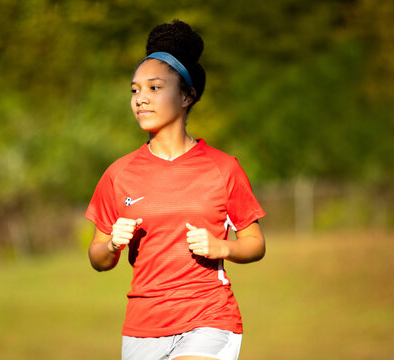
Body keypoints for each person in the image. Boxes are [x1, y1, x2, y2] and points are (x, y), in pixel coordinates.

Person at [85, 19, 266, 360]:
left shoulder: (223, 168)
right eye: (135, 90)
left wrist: (220, 247)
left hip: (210, 317)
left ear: (186, 95)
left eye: (154, 88)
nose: (140, 99)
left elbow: (255, 244)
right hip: (143, 327)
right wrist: (111, 244)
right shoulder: (118, 173)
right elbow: (98, 259)